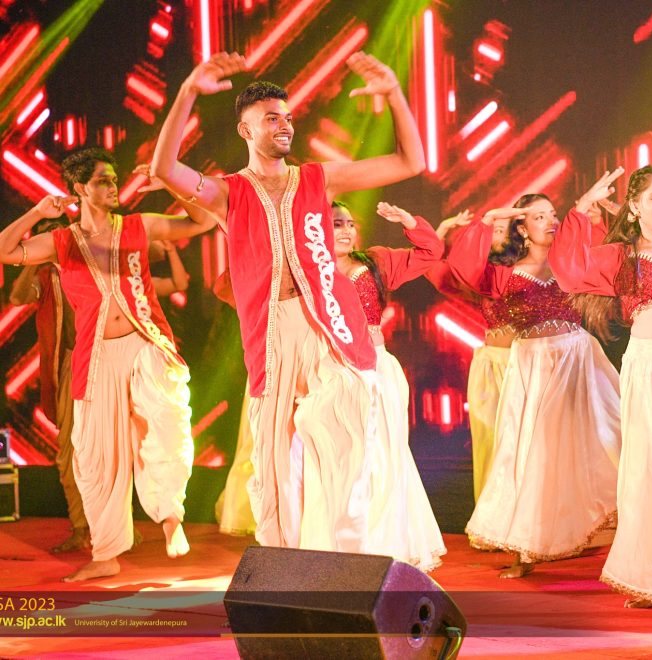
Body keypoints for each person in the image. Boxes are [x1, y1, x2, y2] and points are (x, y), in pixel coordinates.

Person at [151, 51, 425, 552]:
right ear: (245, 130)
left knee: (347, 437)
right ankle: (286, 564)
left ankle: (347, 560)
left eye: (288, 118)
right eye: (272, 119)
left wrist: (393, 94)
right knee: (276, 461)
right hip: (272, 331)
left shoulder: (318, 178)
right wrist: (188, 90)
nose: (285, 126)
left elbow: (411, 162)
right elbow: (163, 167)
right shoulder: (228, 193)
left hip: (329, 325)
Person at [0, 147, 217, 581]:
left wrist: (171, 183)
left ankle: (170, 515)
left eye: (115, 179)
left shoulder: (138, 225)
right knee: (95, 455)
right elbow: (6, 251)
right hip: (96, 357)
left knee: (165, 423)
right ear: (80, 188)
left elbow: (204, 221)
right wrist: (38, 212)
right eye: (103, 180)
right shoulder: (62, 242)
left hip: (145, 344)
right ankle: (105, 553)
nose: (114, 186)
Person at [216, 200, 447, 570]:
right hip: (328, 376)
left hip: (375, 374)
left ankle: (382, 548)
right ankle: (335, 548)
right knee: (332, 463)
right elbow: (237, 289)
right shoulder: (302, 271)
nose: (346, 230)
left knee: (381, 459)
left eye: (350, 224)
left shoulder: (375, 262)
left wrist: (408, 219)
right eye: (336, 223)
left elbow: (430, 252)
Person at [445, 194, 621, 578]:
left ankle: (637, 531)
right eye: (539, 217)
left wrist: (596, 220)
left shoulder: (570, 263)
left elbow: (615, 264)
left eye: (553, 214)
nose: (551, 222)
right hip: (533, 366)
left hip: (577, 359)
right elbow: (462, 269)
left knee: (611, 438)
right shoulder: (505, 274)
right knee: (529, 454)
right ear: (522, 228)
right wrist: (486, 219)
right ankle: (525, 551)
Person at [549, 165, 652, 607]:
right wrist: (582, 207)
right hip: (649, 369)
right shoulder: (619, 258)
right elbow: (568, 269)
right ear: (634, 206)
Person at [9, 217, 89, 553]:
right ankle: (82, 527)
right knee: (69, 452)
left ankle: (117, 527)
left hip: (104, 360)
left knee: (111, 450)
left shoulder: (90, 267)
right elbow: (17, 297)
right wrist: (33, 259)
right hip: (69, 364)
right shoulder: (46, 277)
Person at [427, 212, 516, 504]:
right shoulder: (478, 275)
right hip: (491, 366)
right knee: (493, 441)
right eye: (492, 230)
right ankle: (495, 512)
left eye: (503, 230)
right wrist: (441, 230)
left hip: (527, 366)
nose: (497, 235)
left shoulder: (530, 269)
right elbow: (437, 270)